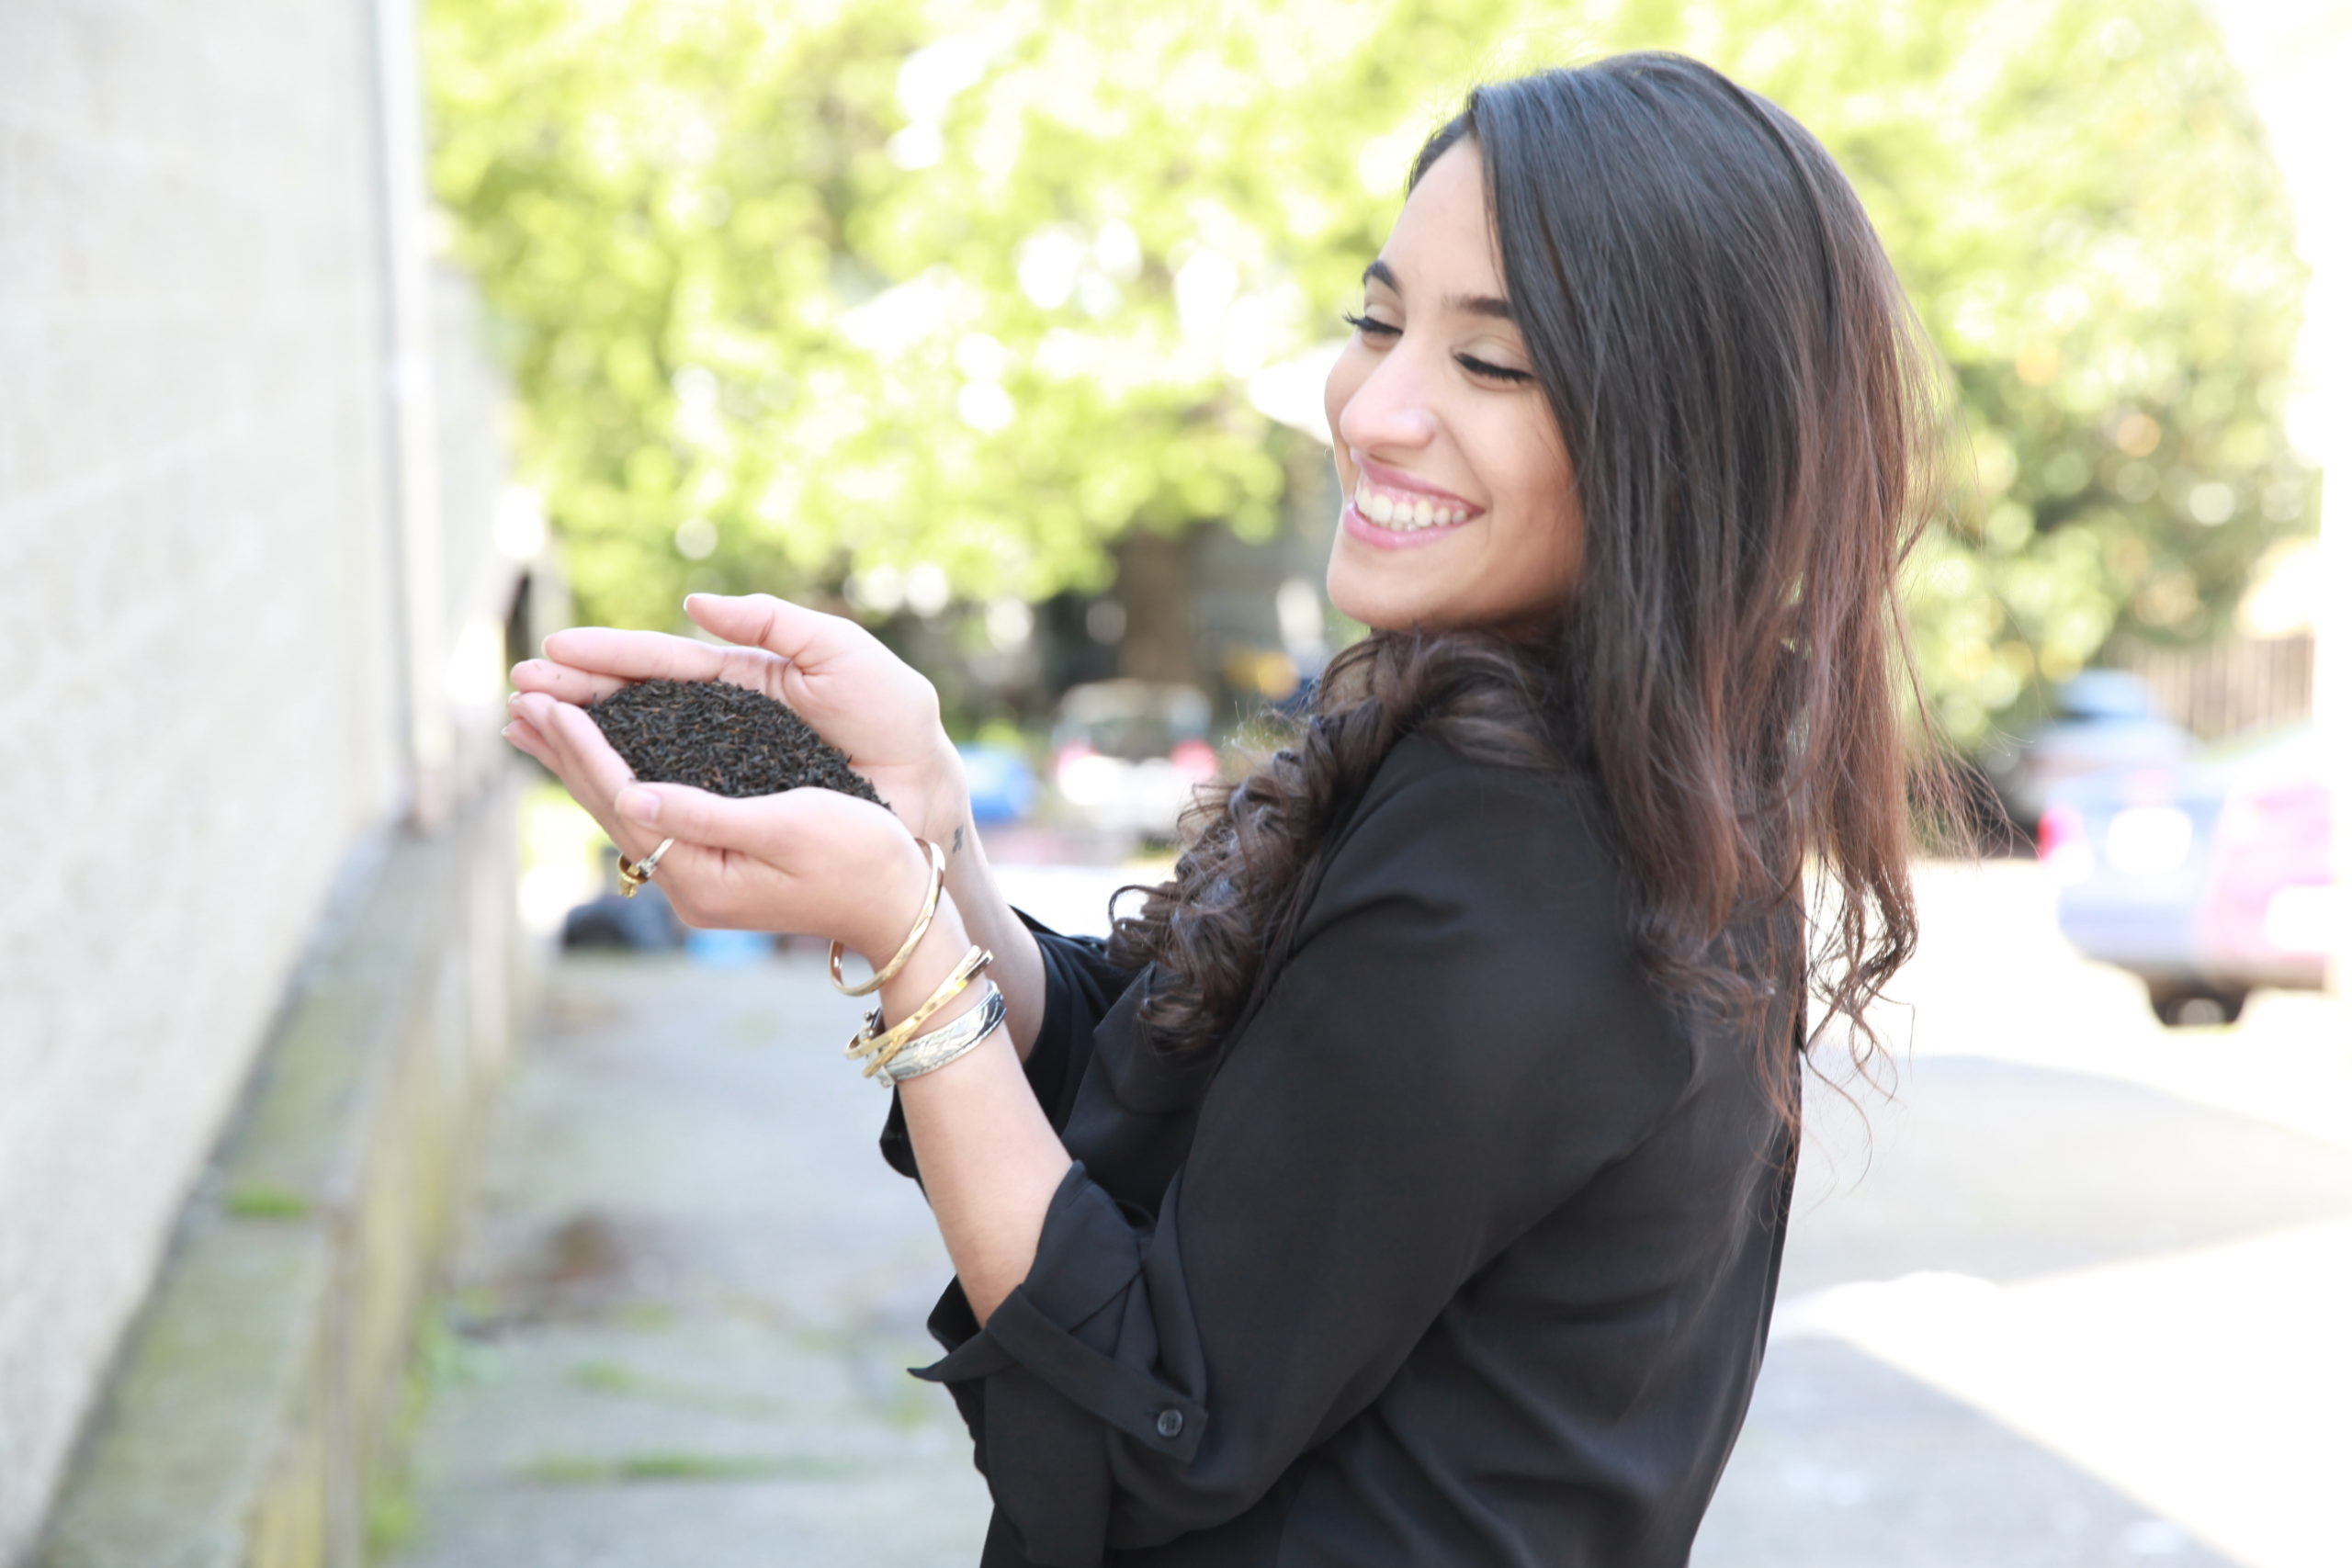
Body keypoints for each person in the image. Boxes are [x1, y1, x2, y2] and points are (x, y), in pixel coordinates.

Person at [503, 51, 1945, 1568]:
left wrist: (903, 944)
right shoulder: (1566, 762)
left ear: (1679, 439)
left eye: (1493, 365)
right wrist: (933, 841)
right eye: (1377, 323)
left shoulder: (1537, 852)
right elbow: (1185, 1132)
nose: (1376, 411)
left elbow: (1154, 1419)